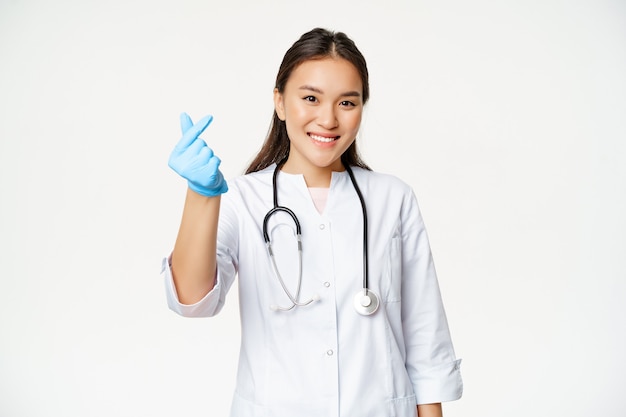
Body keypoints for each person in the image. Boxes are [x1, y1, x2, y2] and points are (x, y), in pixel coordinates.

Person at [163, 28, 463, 417]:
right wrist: (201, 197)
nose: (328, 118)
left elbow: (425, 337)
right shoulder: (242, 199)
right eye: (310, 98)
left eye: (347, 103)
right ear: (280, 102)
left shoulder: (393, 198)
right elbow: (191, 299)